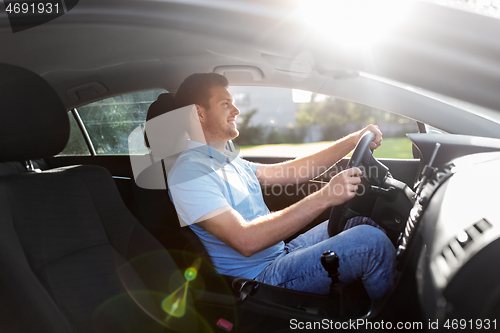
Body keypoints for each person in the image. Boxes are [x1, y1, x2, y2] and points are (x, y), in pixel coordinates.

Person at [165, 73, 395, 299]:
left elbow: (294, 171)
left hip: (281, 253)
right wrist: (326, 195)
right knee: (370, 243)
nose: (236, 111)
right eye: (226, 104)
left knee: (363, 219)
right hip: (260, 279)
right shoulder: (190, 173)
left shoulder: (227, 159)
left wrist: (353, 140)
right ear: (198, 114)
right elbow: (246, 241)